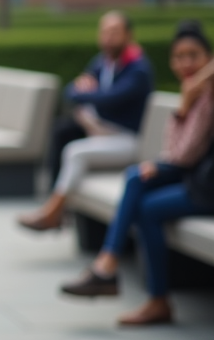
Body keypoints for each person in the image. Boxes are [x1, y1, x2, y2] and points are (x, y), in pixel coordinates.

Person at [60, 21, 214, 326]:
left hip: (206, 186)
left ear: (208, 58)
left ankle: (119, 272)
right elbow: (175, 149)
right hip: (198, 179)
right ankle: (131, 281)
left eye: (193, 55)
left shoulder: (206, 96)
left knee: (140, 191)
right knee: (139, 189)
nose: (185, 63)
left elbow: (184, 153)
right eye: (179, 56)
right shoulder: (195, 92)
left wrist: (188, 100)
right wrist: (186, 100)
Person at [19, 11, 154, 231]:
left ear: (128, 35)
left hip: (127, 139)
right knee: (62, 130)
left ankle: (53, 212)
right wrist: (88, 95)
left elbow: (110, 99)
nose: (108, 37)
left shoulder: (137, 68)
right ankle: (55, 205)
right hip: (101, 132)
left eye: (114, 32)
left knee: (75, 151)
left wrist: (89, 95)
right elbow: (71, 90)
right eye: (104, 32)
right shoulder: (103, 62)